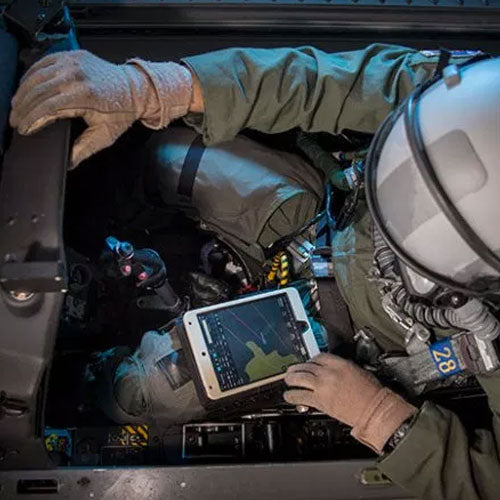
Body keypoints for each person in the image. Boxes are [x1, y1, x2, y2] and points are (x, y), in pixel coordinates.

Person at [9, 44, 500, 500]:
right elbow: (319, 81)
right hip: (313, 228)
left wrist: (380, 416)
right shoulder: (470, 90)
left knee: (137, 393)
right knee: (164, 158)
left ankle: (85, 369)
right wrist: (156, 87)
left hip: (339, 345)